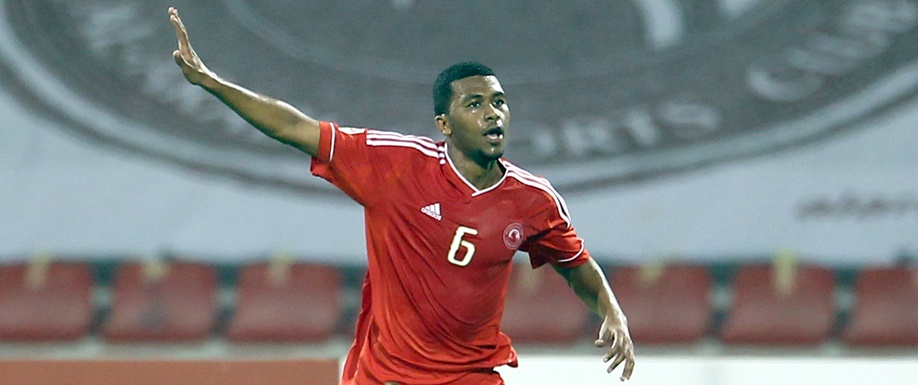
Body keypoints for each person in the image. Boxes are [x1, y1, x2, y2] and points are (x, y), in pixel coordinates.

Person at [168, 7, 635, 385]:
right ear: (444, 125)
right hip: (387, 375)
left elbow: (577, 267)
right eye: (475, 104)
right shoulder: (395, 165)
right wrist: (211, 82)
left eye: (499, 102)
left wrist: (612, 313)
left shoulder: (533, 199)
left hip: (469, 377)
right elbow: (295, 127)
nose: (493, 114)